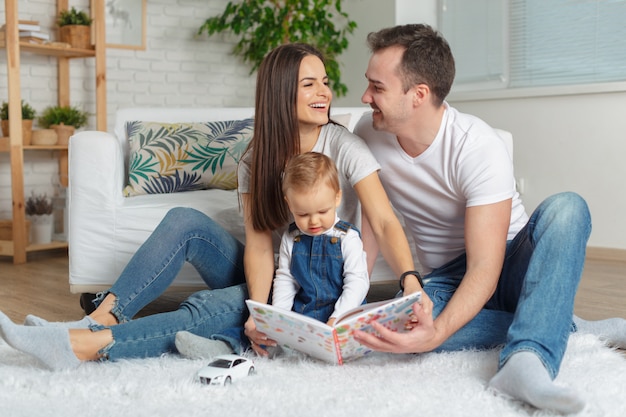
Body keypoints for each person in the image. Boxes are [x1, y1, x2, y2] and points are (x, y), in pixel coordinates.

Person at [0, 43, 416, 370]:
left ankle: (84, 345)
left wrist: (410, 283)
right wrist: (261, 309)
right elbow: (257, 243)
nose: (324, 92)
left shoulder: (345, 146)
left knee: (211, 307)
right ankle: (102, 318)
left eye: (325, 81)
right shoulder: (257, 156)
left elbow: (382, 219)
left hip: (314, 286)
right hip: (273, 271)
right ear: (280, 91)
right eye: (309, 84)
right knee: (185, 220)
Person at [350, 24, 626, 414]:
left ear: (419, 95)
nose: (365, 97)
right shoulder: (368, 132)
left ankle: (526, 359)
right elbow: (372, 227)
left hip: (510, 263)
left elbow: (485, 266)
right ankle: (560, 321)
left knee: (568, 208)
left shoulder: (477, 145)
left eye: (377, 87)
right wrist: (354, 301)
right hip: (443, 277)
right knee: (398, 330)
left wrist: (439, 334)